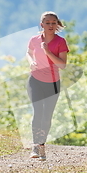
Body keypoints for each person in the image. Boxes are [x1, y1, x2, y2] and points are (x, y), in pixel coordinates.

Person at [26, 11, 69, 161]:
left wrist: (48, 52)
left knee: (47, 116)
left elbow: (62, 65)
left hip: (53, 83)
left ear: (57, 24)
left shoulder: (60, 42)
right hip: (35, 80)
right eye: (48, 23)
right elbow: (29, 52)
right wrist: (31, 62)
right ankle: (35, 146)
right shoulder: (34, 40)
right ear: (42, 25)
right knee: (38, 112)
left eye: (53, 23)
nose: (51, 26)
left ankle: (42, 145)